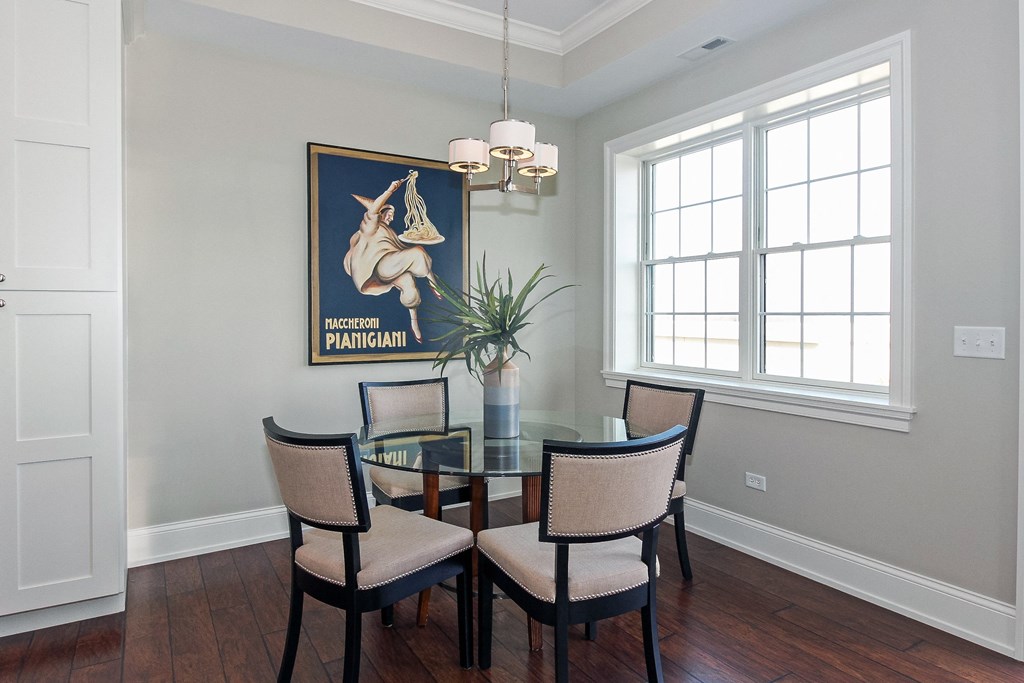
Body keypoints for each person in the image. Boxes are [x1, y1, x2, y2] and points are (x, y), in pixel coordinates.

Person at [343, 172, 440, 343]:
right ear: (380, 213)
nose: (391, 216)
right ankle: (433, 281)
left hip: (388, 268)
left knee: (409, 284)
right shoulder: (370, 227)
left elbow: (397, 250)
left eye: (391, 214)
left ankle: (414, 323)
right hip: (379, 267)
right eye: (387, 212)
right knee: (418, 252)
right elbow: (373, 211)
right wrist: (390, 190)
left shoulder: (389, 232)